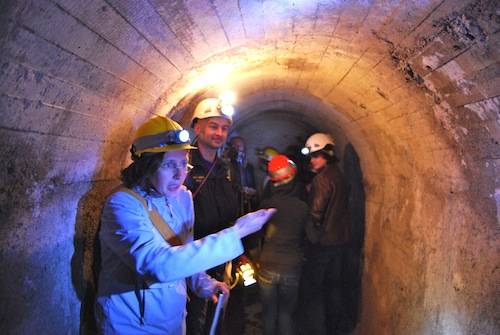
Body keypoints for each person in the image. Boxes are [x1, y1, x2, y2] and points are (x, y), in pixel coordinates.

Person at [94, 115, 275, 334]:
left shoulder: (182, 198)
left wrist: (202, 283)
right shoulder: (123, 205)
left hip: (173, 320)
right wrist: (235, 233)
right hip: (131, 324)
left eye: (183, 163)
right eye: (169, 165)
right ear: (146, 166)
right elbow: (157, 265)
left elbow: (182, 251)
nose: (180, 175)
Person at [184, 98, 241, 335]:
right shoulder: (183, 166)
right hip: (192, 262)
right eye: (213, 126)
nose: (219, 133)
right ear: (197, 127)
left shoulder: (226, 169)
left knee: (216, 323)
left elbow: (234, 211)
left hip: (221, 263)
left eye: (224, 128)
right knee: (192, 324)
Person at [300, 133, 351, 335]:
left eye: (317, 156)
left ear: (328, 155)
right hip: (340, 241)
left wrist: (309, 240)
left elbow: (315, 214)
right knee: (334, 287)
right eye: (311, 156)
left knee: (313, 288)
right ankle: (334, 328)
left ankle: (312, 328)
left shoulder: (322, 180)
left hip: (323, 244)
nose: (312, 160)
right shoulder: (339, 174)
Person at [257, 155, 309, 335]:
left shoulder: (265, 206)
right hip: (291, 266)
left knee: (269, 312)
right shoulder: (302, 207)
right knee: (286, 314)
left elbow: (258, 235)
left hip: (267, 264)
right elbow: (310, 237)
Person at [227, 136, 257, 215]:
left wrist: (252, 191)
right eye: (235, 146)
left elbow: (253, 184)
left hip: (248, 204)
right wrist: (241, 189)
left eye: (240, 146)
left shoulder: (249, 167)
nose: (238, 149)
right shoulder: (227, 166)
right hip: (234, 204)